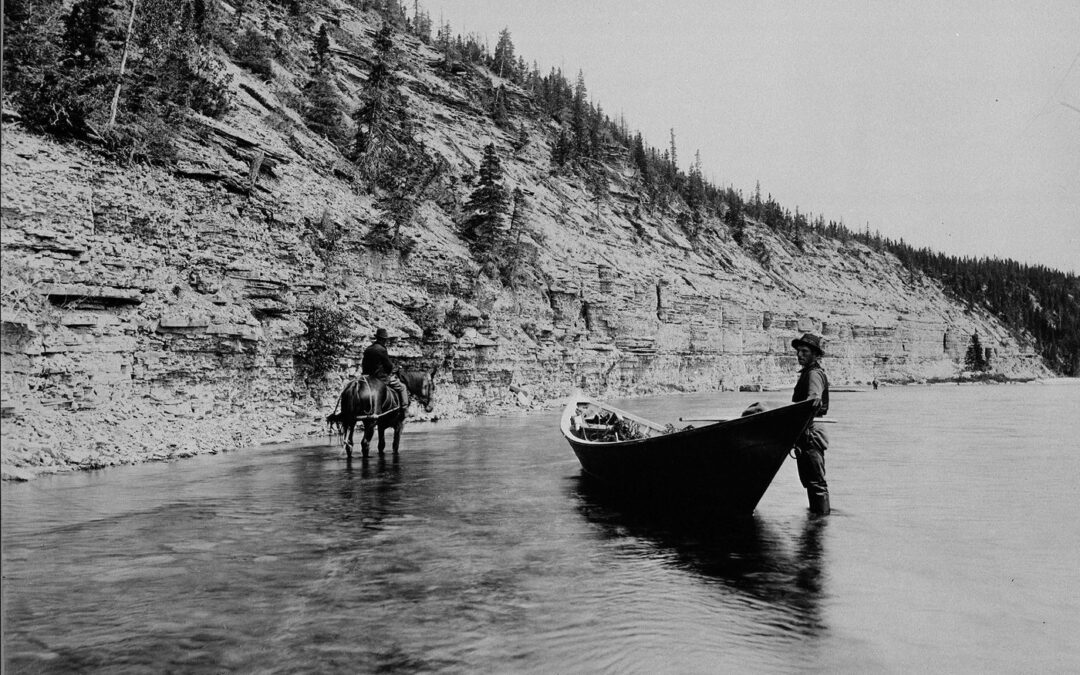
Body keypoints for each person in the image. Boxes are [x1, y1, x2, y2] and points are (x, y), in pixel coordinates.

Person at [791, 333, 830, 515]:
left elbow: (814, 399)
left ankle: (820, 521)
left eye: (804, 351)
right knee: (809, 480)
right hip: (806, 431)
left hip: (812, 432)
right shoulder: (808, 372)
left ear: (815, 355)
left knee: (816, 481)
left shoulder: (814, 374)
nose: (800, 355)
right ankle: (816, 520)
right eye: (798, 351)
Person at [361, 328, 409, 410]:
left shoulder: (368, 349)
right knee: (402, 387)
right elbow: (389, 366)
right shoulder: (382, 349)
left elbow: (364, 364)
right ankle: (405, 409)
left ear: (377, 338)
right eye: (385, 340)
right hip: (379, 378)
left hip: (367, 377)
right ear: (384, 340)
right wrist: (392, 371)